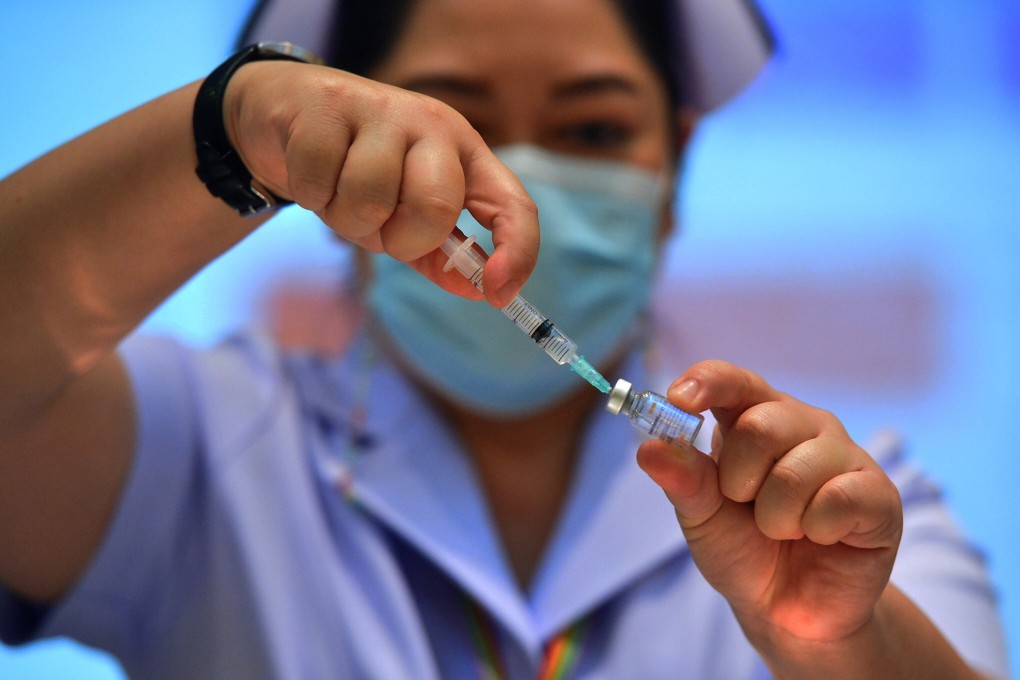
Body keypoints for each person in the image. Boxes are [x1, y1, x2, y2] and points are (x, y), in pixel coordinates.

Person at [0, 0, 1008, 678]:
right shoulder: (201, 451)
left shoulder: (839, 507)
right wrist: (232, 125)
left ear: (676, 168)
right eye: (442, 124)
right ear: (330, 157)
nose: (511, 185)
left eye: (595, 132)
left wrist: (844, 642)